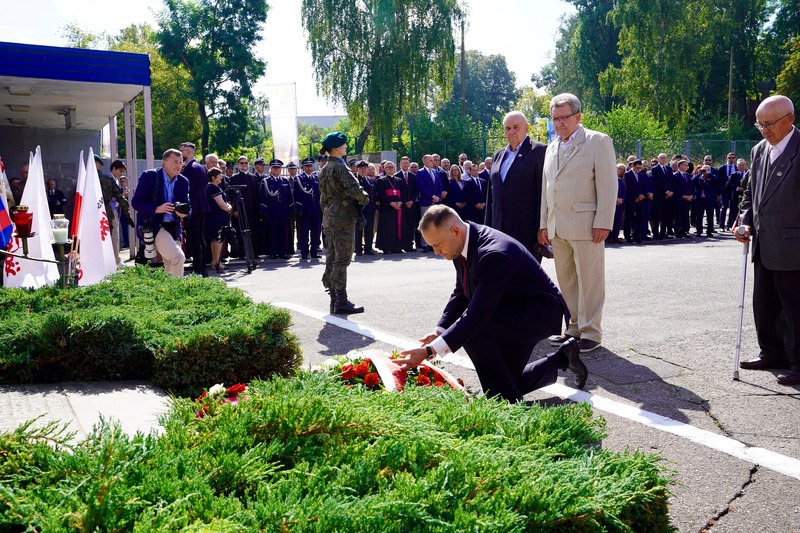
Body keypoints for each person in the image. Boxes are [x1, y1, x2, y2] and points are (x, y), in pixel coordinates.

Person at [395, 205, 587, 403]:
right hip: (510, 309)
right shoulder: (459, 243)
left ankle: (505, 403)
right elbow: (462, 292)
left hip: (538, 313)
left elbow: (476, 317)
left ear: (455, 231)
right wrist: (439, 330)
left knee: (472, 332)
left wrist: (430, 351)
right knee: (504, 385)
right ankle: (562, 358)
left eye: (437, 245)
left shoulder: (492, 254)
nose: (436, 252)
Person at [538, 93, 616, 353]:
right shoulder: (551, 147)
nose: (559, 123)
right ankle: (573, 327)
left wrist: (603, 221)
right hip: (557, 226)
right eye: (555, 118)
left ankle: (591, 332)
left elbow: (608, 185)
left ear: (578, 116)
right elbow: (546, 188)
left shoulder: (597, 141)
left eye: (564, 117)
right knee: (567, 280)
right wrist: (543, 224)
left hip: (587, 225)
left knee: (590, 280)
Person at [735, 95, 800, 384]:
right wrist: (745, 221)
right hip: (763, 243)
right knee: (764, 304)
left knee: (795, 308)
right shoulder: (760, 150)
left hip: (793, 245)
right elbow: (750, 194)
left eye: (770, 124)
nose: (764, 131)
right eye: (760, 125)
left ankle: (799, 363)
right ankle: (772, 352)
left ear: (790, 119)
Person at [485, 111, 547, 260]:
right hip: (498, 230)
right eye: (507, 128)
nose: (511, 131)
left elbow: (543, 192)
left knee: (525, 279)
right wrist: (487, 228)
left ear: (527, 127)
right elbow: (491, 195)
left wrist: (542, 227)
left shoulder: (540, 151)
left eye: (516, 127)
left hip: (527, 231)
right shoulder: (498, 155)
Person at [318, 132, 369, 314]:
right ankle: (341, 301)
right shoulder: (341, 168)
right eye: (344, 145)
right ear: (337, 148)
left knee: (331, 256)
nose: (346, 147)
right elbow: (356, 189)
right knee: (343, 258)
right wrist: (364, 199)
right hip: (342, 217)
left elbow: (323, 197)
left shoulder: (324, 169)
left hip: (329, 215)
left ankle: (334, 298)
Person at [131, 149, 191, 277]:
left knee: (171, 263)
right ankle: (177, 292)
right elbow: (136, 202)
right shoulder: (149, 176)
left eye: (181, 163)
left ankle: (169, 293)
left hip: (174, 227)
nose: (178, 166)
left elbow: (188, 207)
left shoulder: (183, 181)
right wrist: (156, 209)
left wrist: (184, 214)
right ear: (164, 163)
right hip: (155, 226)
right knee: (178, 258)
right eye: (175, 162)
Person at [179, 142, 210, 276]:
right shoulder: (200, 166)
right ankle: (201, 267)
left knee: (194, 239)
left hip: (194, 207)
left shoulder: (190, 168)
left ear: (189, 152)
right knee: (199, 238)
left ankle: (198, 269)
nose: (180, 154)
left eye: (182, 151)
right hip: (201, 206)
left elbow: (187, 188)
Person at [100, 158, 134, 266]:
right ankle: (115, 260)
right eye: (120, 171)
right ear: (114, 168)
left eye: (123, 172)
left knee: (114, 236)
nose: (121, 174)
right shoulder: (108, 178)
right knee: (114, 236)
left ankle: (115, 259)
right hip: (109, 210)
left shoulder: (114, 179)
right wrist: (121, 197)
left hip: (113, 209)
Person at [230, 156, 262, 257]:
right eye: (242, 163)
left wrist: (259, 209)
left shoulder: (253, 177)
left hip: (253, 210)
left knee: (254, 231)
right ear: (238, 164)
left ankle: (255, 252)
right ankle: (242, 253)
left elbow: (257, 194)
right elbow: (231, 196)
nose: (244, 165)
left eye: (246, 163)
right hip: (240, 210)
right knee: (241, 231)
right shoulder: (234, 178)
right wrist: (234, 210)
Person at [261, 159, 292, 260]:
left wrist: (291, 209)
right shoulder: (266, 181)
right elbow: (263, 197)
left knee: (283, 232)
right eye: (274, 168)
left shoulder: (285, 181)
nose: (276, 169)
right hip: (271, 212)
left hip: (283, 211)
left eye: (278, 168)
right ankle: (273, 252)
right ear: (271, 169)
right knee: (272, 232)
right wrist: (264, 211)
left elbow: (289, 197)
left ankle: (283, 252)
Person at [375, 160, 405, 254]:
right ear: (384, 169)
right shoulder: (381, 180)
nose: (391, 169)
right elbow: (381, 194)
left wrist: (400, 202)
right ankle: (386, 247)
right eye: (388, 167)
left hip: (398, 208)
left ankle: (397, 247)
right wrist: (390, 203)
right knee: (387, 227)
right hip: (387, 208)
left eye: (392, 167)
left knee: (397, 227)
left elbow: (404, 194)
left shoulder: (399, 180)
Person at [204, 168, 231, 272]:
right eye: (220, 175)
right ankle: (216, 262)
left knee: (216, 239)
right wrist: (229, 209)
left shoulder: (216, 187)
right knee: (218, 239)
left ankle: (216, 261)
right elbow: (220, 203)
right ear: (213, 177)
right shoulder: (212, 187)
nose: (222, 177)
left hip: (216, 217)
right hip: (216, 218)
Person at [296, 158, 323, 259]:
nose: (309, 168)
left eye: (310, 166)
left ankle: (314, 251)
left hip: (316, 210)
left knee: (316, 232)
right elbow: (297, 195)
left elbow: (319, 194)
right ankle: (304, 252)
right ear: (303, 167)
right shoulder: (299, 179)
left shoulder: (316, 178)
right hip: (305, 210)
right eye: (306, 166)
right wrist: (299, 209)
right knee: (304, 233)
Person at [416, 154, 443, 252]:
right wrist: (432, 196)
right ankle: (425, 244)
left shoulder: (436, 172)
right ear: (425, 161)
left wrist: (438, 197)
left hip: (436, 202)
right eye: (431, 160)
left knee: (435, 223)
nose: (433, 162)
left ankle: (434, 244)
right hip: (426, 201)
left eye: (433, 160)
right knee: (426, 223)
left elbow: (440, 185)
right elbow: (421, 187)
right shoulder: (420, 172)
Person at [395, 156, 418, 252]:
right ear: (400, 164)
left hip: (412, 204)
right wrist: (404, 201)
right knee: (402, 225)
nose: (405, 164)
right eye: (403, 163)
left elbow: (416, 190)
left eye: (407, 163)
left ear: (409, 164)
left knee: (410, 225)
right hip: (401, 205)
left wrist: (412, 201)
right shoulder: (396, 176)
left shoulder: (413, 176)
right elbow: (397, 191)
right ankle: (401, 244)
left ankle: (409, 244)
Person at [623, 160, 644, 243]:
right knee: (629, 218)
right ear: (633, 166)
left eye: (640, 168)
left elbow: (643, 186)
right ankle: (628, 236)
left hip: (640, 200)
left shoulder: (641, 175)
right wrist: (637, 195)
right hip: (631, 199)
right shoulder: (627, 174)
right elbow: (629, 186)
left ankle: (636, 235)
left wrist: (641, 195)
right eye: (637, 167)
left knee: (639, 218)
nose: (638, 169)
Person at [607, 164, 626, 244]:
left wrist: (622, 199)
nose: (620, 170)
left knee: (618, 220)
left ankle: (615, 236)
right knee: (611, 220)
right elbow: (607, 191)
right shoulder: (608, 179)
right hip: (611, 203)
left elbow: (624, 191)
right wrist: (615, 199)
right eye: (619, 168)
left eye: (622, 169)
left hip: (619, 204)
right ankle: (609, 237)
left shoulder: (620, 180)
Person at [725, 158, 747, 229]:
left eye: (743, 165)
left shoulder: (749, 173)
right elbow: (728, 185)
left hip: (747, 195)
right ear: (737, 166)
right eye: (740, 165)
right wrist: (737, 188)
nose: (741, 166)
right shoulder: (733, 175)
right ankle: (732, 225)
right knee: (734, 210)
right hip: (735, 196)